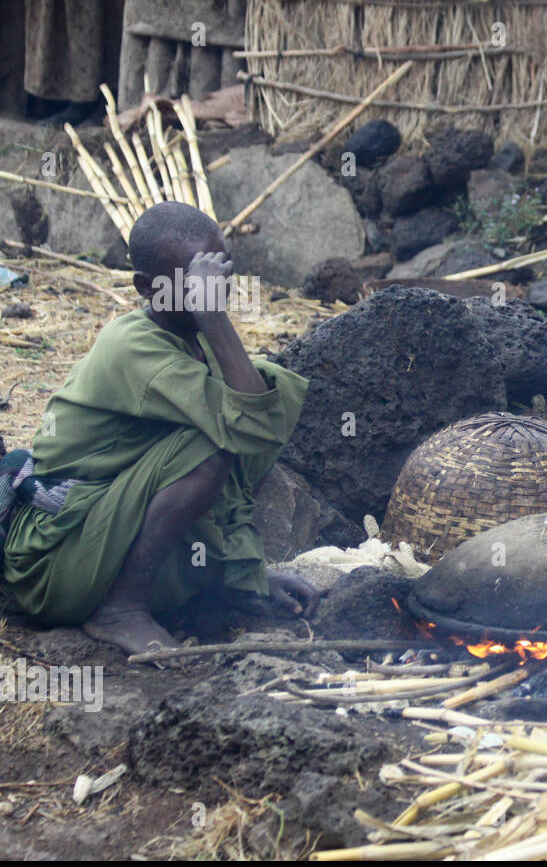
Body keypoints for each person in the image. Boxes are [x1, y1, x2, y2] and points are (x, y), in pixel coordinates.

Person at [0, 201, 319, 655]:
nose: (215, 288)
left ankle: (208, 583)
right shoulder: (134, 347)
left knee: (260, 382)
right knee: (209, 445)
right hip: (59, 557)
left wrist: (248, 576)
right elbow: (250, 424)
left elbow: (260, 424)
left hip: (108, 534)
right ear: (147, 288)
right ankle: (119, 609)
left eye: (220, 271)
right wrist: (214, 316)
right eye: (194, 282)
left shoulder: (191, 339)